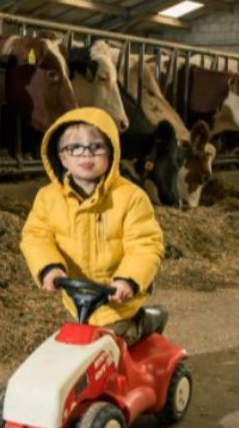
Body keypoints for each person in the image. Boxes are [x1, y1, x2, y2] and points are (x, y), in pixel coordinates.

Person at [20, 107, 165, 345]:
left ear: (112, 153)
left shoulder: (131, 198)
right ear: (62, 158)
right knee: (73, 346)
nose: (85, 154)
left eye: (96, 147)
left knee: (111, 342)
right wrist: (49, 268)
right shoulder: (48, 198)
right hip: (76, 299)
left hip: (117, 302)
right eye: (74, 148)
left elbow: (146, 244)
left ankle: (144, 322)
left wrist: (128, 279)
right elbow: (36, 236)